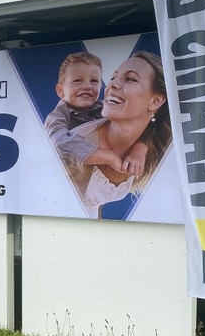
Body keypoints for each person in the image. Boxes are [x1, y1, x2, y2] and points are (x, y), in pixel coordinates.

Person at [66, 51, 171, 218]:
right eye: (114, 77)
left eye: (130, 79)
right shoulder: (78, 142)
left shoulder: (155, 148)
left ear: (156, 101)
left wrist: (141, 147)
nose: (111, 85)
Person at [45, 52, 148, 177]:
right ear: (60, 91)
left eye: (94, 81)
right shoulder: (57, 117)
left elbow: (133, 128)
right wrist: (109, 157)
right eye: (78, 81)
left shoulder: (105, 107)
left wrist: (140, 149)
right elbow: (59, 143)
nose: (87, 86)